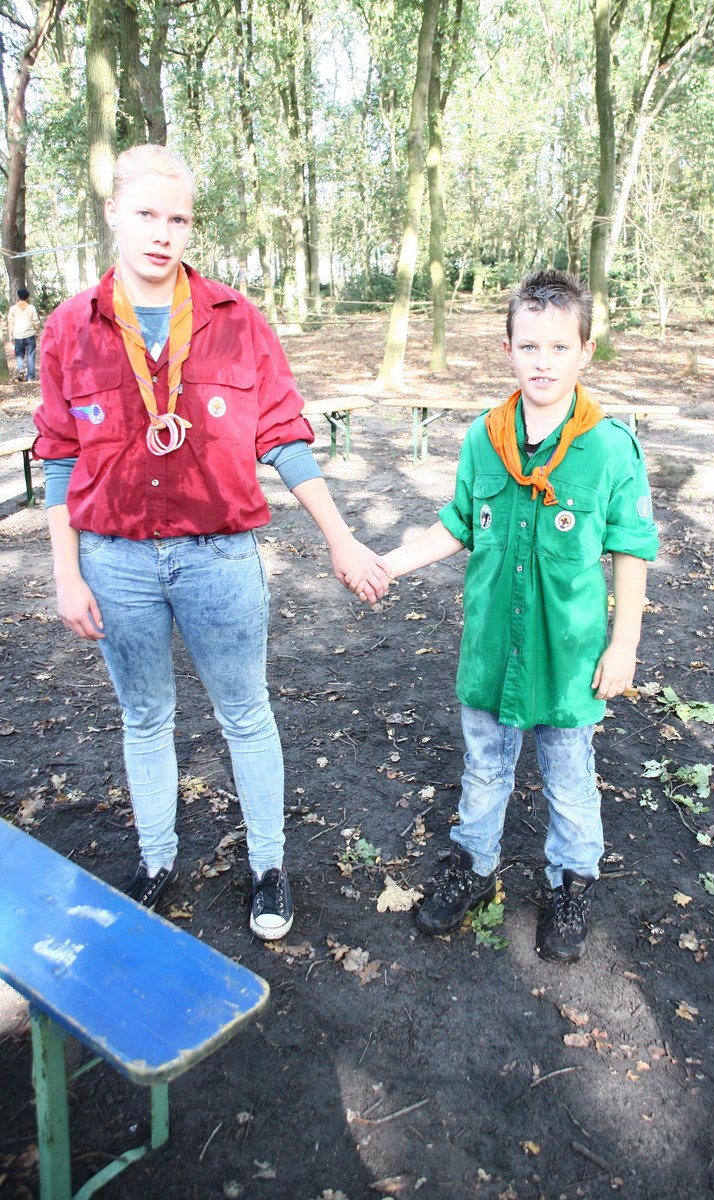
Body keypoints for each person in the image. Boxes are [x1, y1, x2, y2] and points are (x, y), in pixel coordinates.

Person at [33, 144, 390, 940]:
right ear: (114, 214)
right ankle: (156, 862)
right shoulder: (69, 328)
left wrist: (340, 539)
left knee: (246, 715)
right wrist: (66, 573)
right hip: (115, 560)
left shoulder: (236, 321)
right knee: (145, 718)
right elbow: (58, 456)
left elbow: (284, 435)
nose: (163, 233)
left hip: (220, 559)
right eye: (146, 214)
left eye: (179, 218)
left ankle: (269, 868)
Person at [378, 270, 659, 963]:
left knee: (569, 776)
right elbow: (458, 523)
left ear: (586, 351)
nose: (543, 362)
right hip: (492, 649)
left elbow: (631, 548)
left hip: (568, 654)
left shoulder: (610, 446)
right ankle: (474, 868)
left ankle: (571, 884)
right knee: (483, 767)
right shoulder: (485, 437)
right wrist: (388, 563)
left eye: (559, 347)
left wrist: (623, 644)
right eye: (529, 346)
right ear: (507, 349)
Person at [8, 287, 40, 381]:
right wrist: (37, 331)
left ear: (18, 297)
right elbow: (36, 322)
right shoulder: (31, 308)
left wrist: (10, 335)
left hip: (18, 336)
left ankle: (21, 369)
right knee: (30, 356)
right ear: (27, 297)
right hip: (30, 335)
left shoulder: (13, 309)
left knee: (19, 355)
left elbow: (10, 323)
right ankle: (30, 377)